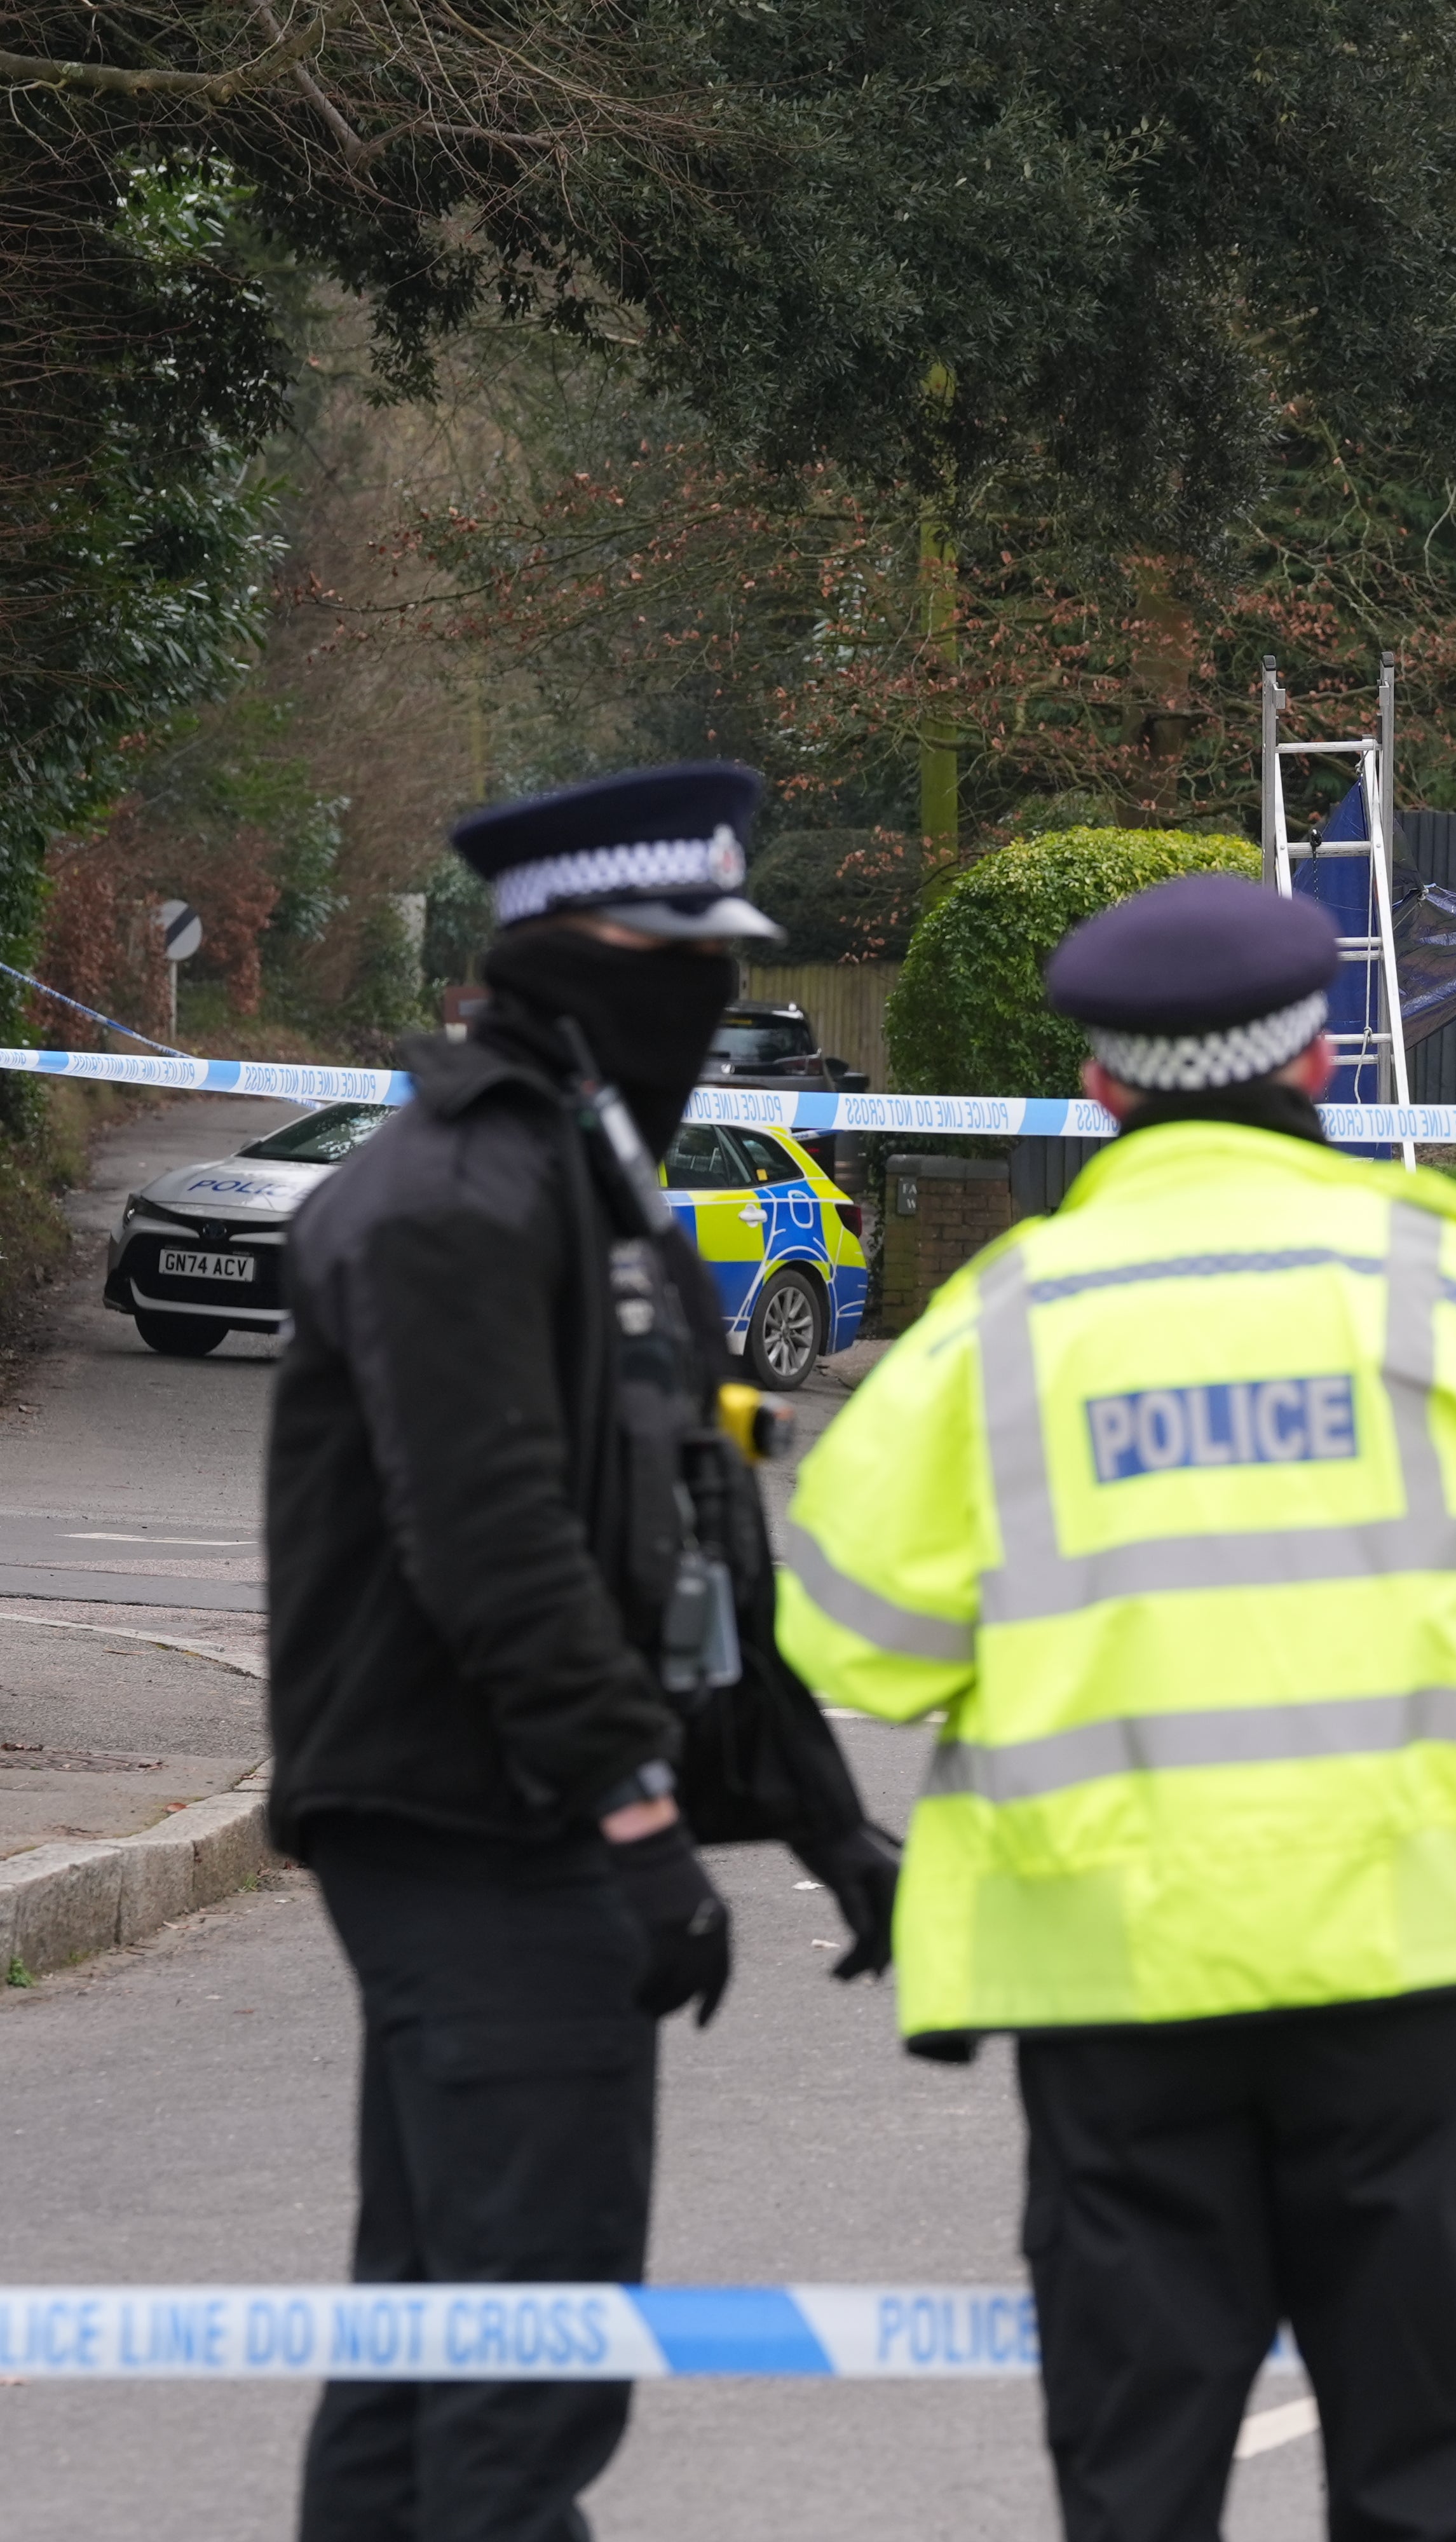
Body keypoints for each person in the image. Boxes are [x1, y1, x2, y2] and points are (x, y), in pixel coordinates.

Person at [776, 871, 1456, 2542]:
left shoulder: (1004, 1324)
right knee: (1426, 2485)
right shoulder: (1452, 1288)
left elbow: (861, 1642)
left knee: (1140, 2484)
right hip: (1414, 1958)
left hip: (1111, 1977)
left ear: (1100, 1090)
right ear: (1318, 1066)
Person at [267, 763, 903, 2541]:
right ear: (568, 954)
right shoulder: (455, 1195)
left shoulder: (587, 1181)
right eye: (676, 952)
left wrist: (814, 1811)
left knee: (436, 2327)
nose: (708, 993)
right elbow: (500, 1552)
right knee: (529, 2360)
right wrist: (634, 1820)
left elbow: (690, 1543)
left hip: (518, 1812)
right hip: (472, 1818)